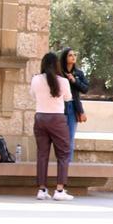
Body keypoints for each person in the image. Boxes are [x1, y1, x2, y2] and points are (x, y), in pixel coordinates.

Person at [30, 52, 73, 202]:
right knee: (63, 153)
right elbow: (68, 98)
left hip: (40, 117)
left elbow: (33, 95)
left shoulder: (35, 79)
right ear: (57, 65)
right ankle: (59, 190)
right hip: (57, 118)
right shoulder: (63, 81)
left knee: (42, 154)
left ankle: (41, 189)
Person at [60, 48, 89, 162]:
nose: (73, 57)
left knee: (70, 137)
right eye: (70, 55)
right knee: (61, 138)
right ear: (65, 58)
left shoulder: (78, 73)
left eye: (74, 55)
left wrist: (74, 81)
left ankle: (68, 165)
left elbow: (85, 89)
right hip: (60, 107)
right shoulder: (59, 72)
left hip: (73, 107)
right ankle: (61, 163)